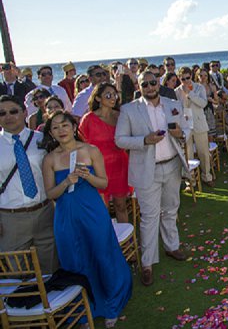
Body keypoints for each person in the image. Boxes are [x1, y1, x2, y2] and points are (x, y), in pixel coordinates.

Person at [41, 111, 131, 326]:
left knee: (102, 254)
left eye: (65, 125)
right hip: (66, 216)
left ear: (73, 127)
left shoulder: (91, 150)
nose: (61, 130)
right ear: (51, 133)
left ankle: (110, 304)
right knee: (74, 258)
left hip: (92, 212)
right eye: (55, 127)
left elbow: (104, 184)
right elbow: (50, 194)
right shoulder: (50, 159)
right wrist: (65, 182)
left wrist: (87, 176)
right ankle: (83, 306)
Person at [115, 70, 190, 286]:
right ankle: (147, 263)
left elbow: (184, 128)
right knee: (149, 217)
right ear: (139, 87)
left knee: (171, 208)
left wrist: (180, 134)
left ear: (158, 83)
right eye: (145, 84)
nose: (150, 87)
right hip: (147, 169)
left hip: (172, 164)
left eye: (153, 83)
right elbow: (119, 139)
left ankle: (172, 246)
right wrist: (144, 140)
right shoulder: (129, 109)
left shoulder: (170, 103)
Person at [0, 95, 58, 274]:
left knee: (51, 270)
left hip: (44, 213)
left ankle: (52, 301)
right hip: (11, 219)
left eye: (13, 111)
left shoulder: (43, 139)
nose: (8, 116)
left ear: (25, 112)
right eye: (2, 113)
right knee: (18, 275)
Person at [79, 82, 131, 223]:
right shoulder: (88, 119)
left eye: (115, 95)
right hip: (99, 169)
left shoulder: (120, 116)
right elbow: (81, 144)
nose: (113, 98)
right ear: (97, 98)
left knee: (121, 206)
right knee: (102, 209)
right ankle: (106, 241)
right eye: (108, 95)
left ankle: (127, 240)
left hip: (119, 166)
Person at [176, 67, 214, 187]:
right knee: (188, 154)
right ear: (179, 79)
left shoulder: (199, 87)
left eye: (188, 78)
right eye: (183, 79)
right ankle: (190, 181)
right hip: (185, 126)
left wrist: (190, 94)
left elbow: (203, 103)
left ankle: (206, 176)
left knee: (203, 152)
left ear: (191, 76)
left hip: (199, 124)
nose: (186, 81)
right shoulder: (177, 91)